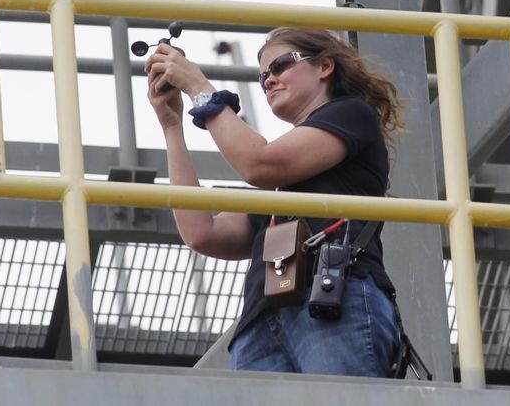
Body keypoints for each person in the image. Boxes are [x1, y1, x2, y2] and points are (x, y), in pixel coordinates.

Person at [145, 27, 406, 377]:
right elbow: (202, 233)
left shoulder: (351, 115)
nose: (269, 80)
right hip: (262, 322)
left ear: (325, 66)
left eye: (280, 65)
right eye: (263, 75)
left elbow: (259, 163)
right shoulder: (281, 188)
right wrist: (172, 126)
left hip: (331, 299)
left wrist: (199, 89)